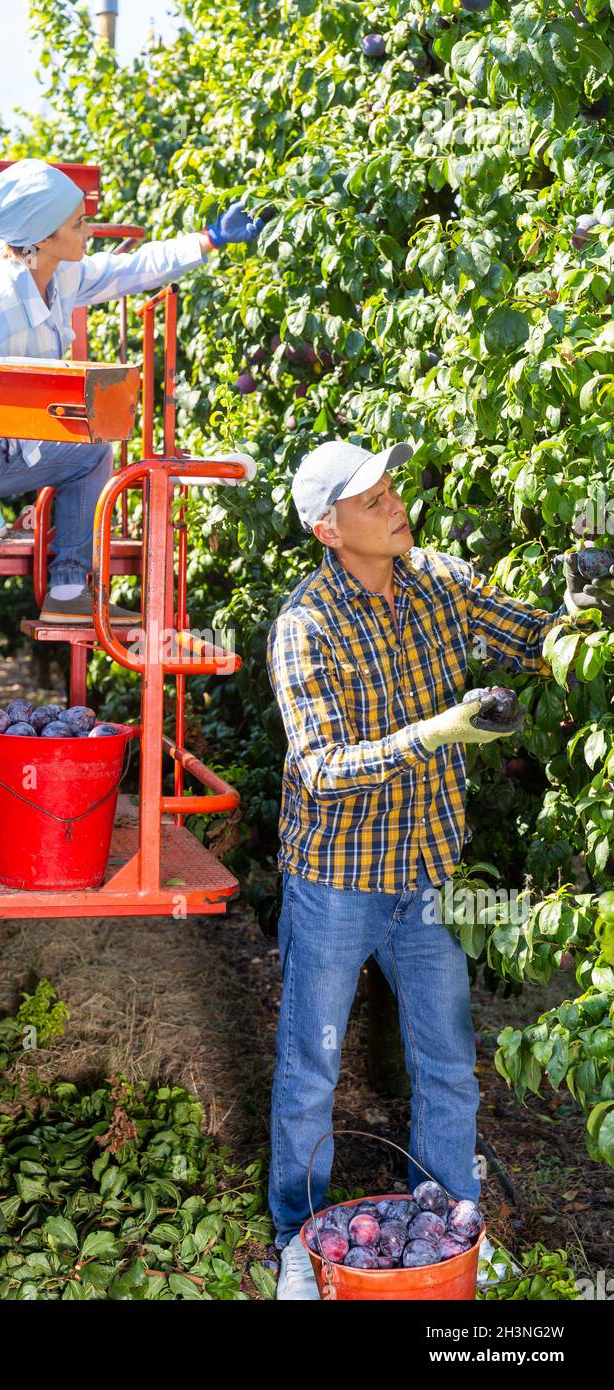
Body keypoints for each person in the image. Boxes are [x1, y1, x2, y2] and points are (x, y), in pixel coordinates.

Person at [266, 438, 608, 1299]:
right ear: (327, 528)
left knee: (449, 1062)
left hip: (426, 877)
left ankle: (452, 1225)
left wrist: (583, 605)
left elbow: (536, 641)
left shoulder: (439, 581)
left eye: (391, 487)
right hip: (339, 879)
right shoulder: (306, 626)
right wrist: (436, 734)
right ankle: (295, 1243)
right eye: (371, 499)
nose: (394, 504)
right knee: (314, 1064)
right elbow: (321, 768)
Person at [0, 158, 264, 689]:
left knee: (92, 451)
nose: (88, 231)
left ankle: (69, 592)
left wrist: (207, 240)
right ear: (39, 239)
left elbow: (128, 271)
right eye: (77, 225)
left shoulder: (57, 274)